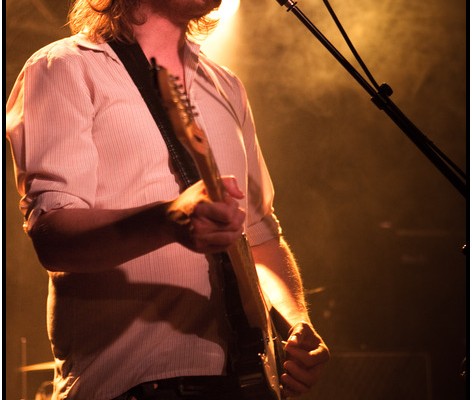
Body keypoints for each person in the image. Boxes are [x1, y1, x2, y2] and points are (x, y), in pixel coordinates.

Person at [6, 0, 330, 399]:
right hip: (131, 385)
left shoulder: (225, 84)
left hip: (250, 383)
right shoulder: (64, 67)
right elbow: (54, 240)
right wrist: (167, 220)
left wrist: (296, 322)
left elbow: (259, 235)